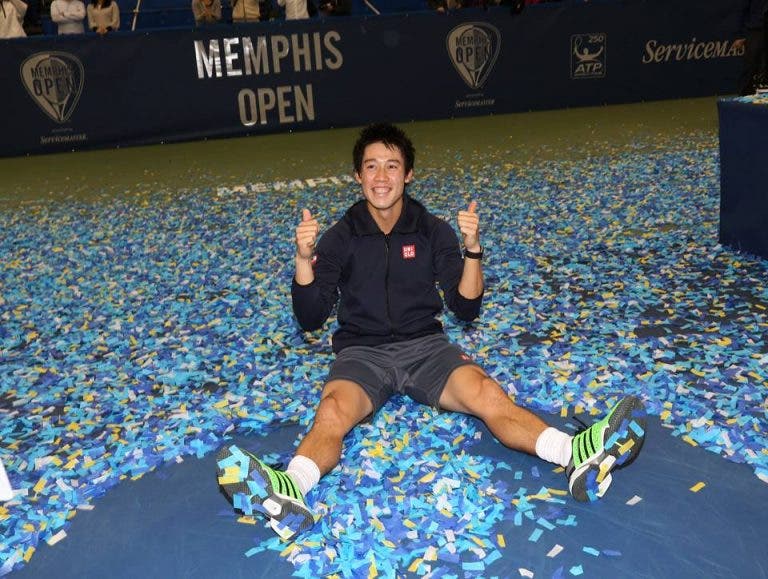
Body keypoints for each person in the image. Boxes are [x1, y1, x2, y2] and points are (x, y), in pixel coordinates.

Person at [216, 123, 647, 541]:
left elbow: (466, 306)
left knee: (486, 394)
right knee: (331, 412)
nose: (381, 177)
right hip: (363, 353)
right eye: (371, 166)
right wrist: (303, 258)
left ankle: (575, 454)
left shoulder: (431, 229)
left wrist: (473, 249)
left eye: (391, 166)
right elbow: (310, 317)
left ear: (408, 174)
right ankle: (291, 490)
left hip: (426, 347)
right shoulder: (340, 237)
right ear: (357, 176)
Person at [738, 0, 768, 95]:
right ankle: (744, 97)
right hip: (755, 30)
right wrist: (740, 35)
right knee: (751, 66)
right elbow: (742, 11)